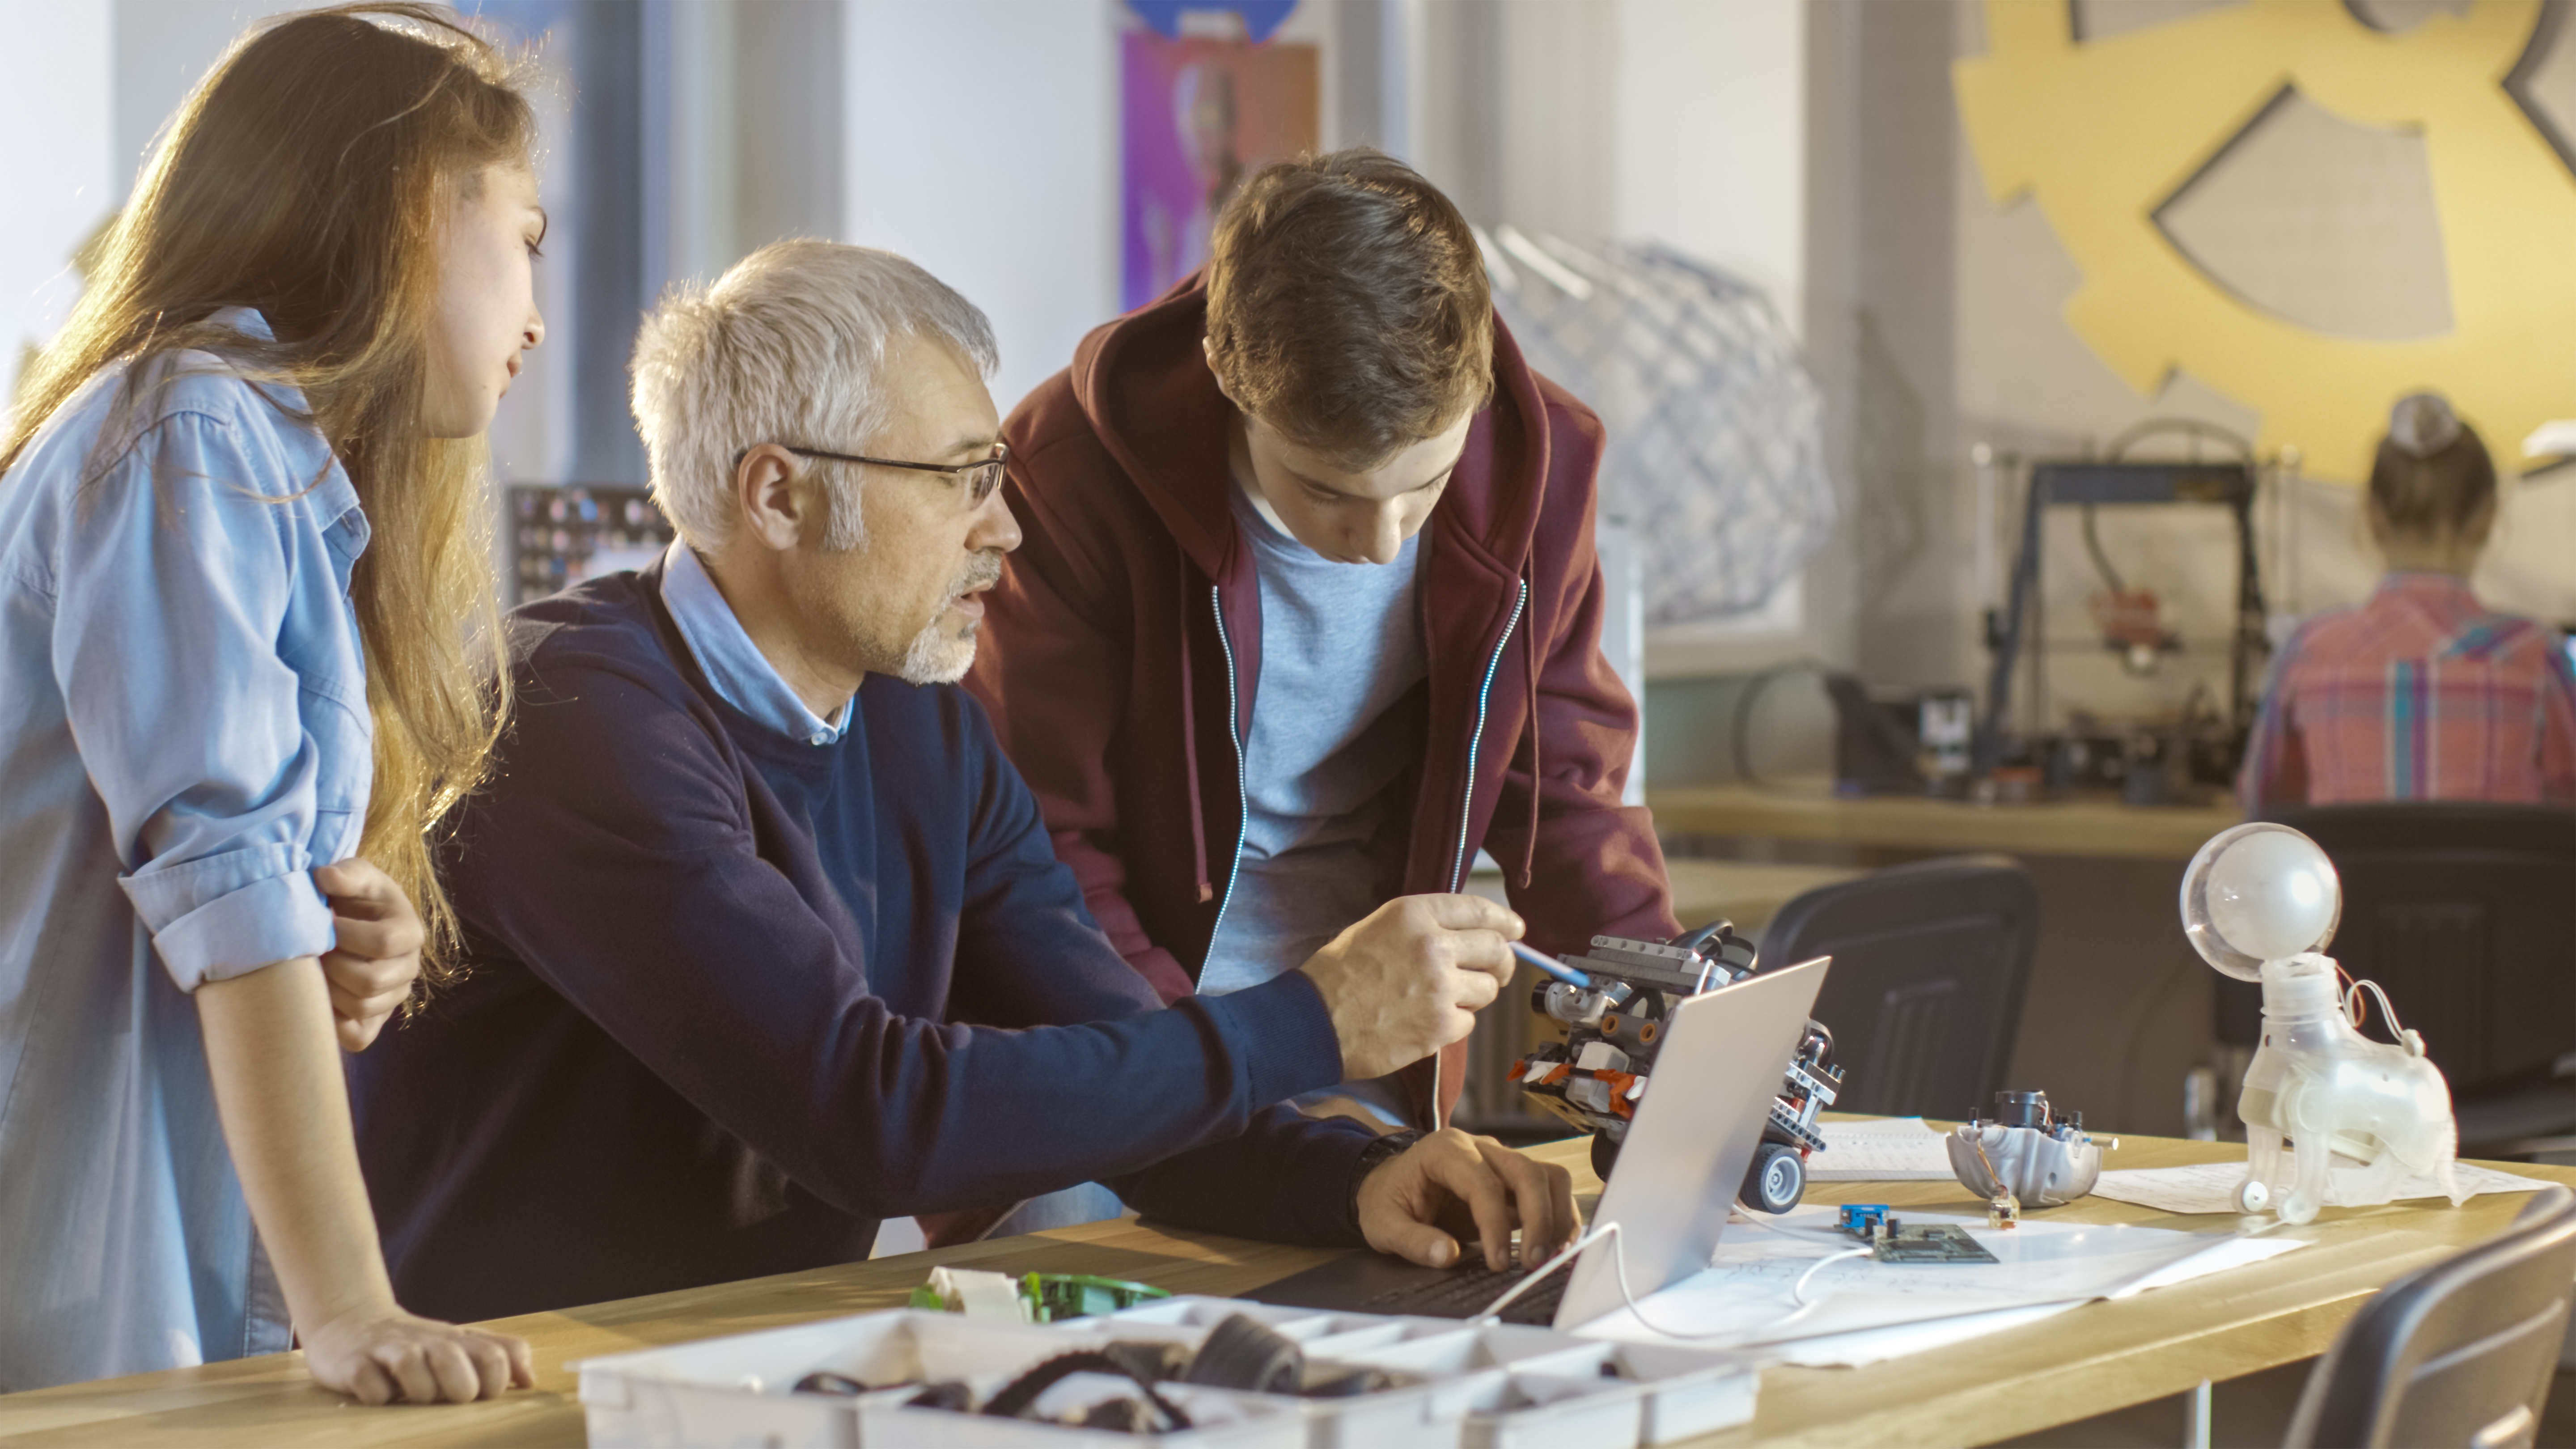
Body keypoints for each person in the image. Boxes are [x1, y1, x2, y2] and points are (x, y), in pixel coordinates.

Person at [348, 240, 1580, 1326]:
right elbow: (865, 1117)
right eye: (960, 479)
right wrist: (1311, 1021)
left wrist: (1352, 1181)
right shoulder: (570, 716)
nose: (1006, 528)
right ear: (779, 493)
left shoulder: (922, 727)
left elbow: (1113, 1065)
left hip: (748, 1369)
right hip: (499, 1398)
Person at [0, 4, 542, 1400]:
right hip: (72, 1276)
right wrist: (354, 1307)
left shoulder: (249, 450)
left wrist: (329, 944)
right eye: (526, 240)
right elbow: (226, 889)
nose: (537, 315)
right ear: (421, 204)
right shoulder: (196, 424)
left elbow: (232, 901)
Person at [966, 148, 1678, 1148]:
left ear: (1474, 389)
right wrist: (1224, 1091)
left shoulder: (1544, 460)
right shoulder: (1065, 476)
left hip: (1378, 1049)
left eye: (1422, 488)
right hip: (1114, 1061)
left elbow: (1563, 798)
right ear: (1225, 376)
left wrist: (1671, 1014)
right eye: (1329, 494)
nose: (1381, 542)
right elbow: (1049, 858)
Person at [2241, 393, 2576, 806]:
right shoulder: (2538, 656)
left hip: (2351, 874)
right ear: (2487, 515)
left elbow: (2263, 803)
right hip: (2492, 875)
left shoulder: (2309, 652)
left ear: (2373, 513)